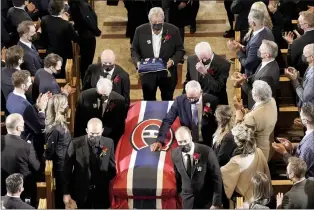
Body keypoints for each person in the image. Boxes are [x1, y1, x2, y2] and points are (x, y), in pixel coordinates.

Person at [131, 7, 185, 101]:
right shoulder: (140, 31)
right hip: (148, 74)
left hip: (167, 74)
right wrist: (138, 63)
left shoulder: (173, 30)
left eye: (160, 22)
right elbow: (134, 50)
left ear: (163, 20)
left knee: (167, 99)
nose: (157, 25)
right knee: (149, 100)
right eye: (154, 23)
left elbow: (180, 50)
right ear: (149, 21)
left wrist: (172, 61)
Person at [63, 118, 116, 208]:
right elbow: (66, 170)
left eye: (97, 134)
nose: (94, 137)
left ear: (102, 131)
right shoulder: (75, 144)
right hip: (81, 193)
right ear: (87, 130)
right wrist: (66, 192)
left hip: (101, 194)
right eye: (92, 134)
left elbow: (112, 168)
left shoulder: (108, 143)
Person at [151, 81, 219, 151]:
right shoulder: (179, 101)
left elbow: (219, 121)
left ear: (201, 92)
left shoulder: (212, 100)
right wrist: (159, 140)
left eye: (195, 98)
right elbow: (167, 120)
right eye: (189, 98)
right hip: (188, 141)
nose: (192, 101)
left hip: (207, 139)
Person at [171, 126, 222, 209]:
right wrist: (181, 193)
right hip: (187, 202)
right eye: (180, 142)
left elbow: (217, 177)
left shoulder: (206, 151)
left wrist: (216, 202)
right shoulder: (174, 154)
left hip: (206, 201)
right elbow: (178, 176)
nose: (183, 144)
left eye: (185, 141)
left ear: (191, 137)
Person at [221, 124, 271, 203]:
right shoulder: (259, 151)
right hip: (259, 197)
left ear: (237, 143)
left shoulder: (235, 161)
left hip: (242, 201)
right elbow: (266, 174)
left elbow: (222, 175)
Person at [6, 70, 48, 159]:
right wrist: (42, 109)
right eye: (29, 81)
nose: (31, 83)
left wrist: (36, 106)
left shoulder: (10, 96)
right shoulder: (26, 107)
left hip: (18, 135)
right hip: (29, 141)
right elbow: (40, 128)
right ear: (23, 86)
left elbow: (24, 113)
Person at [1, 114, 41, 206]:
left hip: (2, 188)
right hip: (22, 190)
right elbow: (37, 168)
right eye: (23, 123)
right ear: (19, 128)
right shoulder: (27, 146)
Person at [74, 77, 126, 147]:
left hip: (108, 141)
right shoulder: (84, 96)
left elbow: (119, 127)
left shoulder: (120, 101)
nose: (102, 98)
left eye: (105, 96)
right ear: (96, 89)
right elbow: (79, 121)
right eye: (100, 95)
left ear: (111, 90)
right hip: (88, 138)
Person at [234, 80, 277, 161]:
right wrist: (245, 112)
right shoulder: (271, 101)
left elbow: (238, 133)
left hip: (257, 152)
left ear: (256, 97)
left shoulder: (252, 117)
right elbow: (260, 115)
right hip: (269, 145)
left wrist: (238, 111)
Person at [232, 40, 280, 109]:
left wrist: (243, 82)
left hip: (260, 107)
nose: (258, 50)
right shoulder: (268, 61)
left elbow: (256, 95)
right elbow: (256, 75)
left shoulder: (267, 76)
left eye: (260, 49)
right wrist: (245, 77)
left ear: (267, 55)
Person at [44, 94, 72, 208]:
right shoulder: (55, 129)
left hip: (66, 162)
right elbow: (49, 152)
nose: (67, 105)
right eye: (65, 104)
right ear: (59, 107)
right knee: (62, 197)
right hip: (62, 166)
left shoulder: (60, 124)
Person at [272, 102, 314, 178]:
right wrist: (292, 147)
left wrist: (284, 152)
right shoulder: (310, 134)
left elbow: (298, 170)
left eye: (301, 116)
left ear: (305, 120)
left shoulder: (308, 146)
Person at [227, 9, 274, 76]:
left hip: (255, 74)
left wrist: (238, 51)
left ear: (253, 23)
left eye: (249, 21)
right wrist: (240, 46)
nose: (248, 23)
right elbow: (252, 49)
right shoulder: (266, 29)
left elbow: (248, 64)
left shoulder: (256, 41)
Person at [40, 0, 79, 78]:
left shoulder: (44, 19)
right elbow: (76, 39)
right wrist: (67, 21)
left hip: (50, 53)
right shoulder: (66, 24)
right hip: (64, 56)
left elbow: (44, 37)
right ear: (62, 10)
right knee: (64, 75)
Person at [68, 0, 102, 80]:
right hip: (88, 36)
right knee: (87, 62)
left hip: (82, 34)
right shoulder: (82, 5)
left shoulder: (74, 4)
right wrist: (96, 31)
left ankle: (85, 80)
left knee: (84, 62)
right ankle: (86, 82)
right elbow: (88, 20)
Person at [284, 11, 314, 77]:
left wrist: (291, 44)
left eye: (300, 22)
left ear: (306, 25)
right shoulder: (298, 41)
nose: (298, 24)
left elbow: (290, 63)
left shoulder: (297, 42)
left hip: (304, 78)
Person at [284, 44, 314, 108]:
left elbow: (304, 97)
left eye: (305, 53)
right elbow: (308, 84)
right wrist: (297, 77)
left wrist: (294, 80)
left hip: (309, 110)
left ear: (312, 57)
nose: (303, 56)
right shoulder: (310, 67)